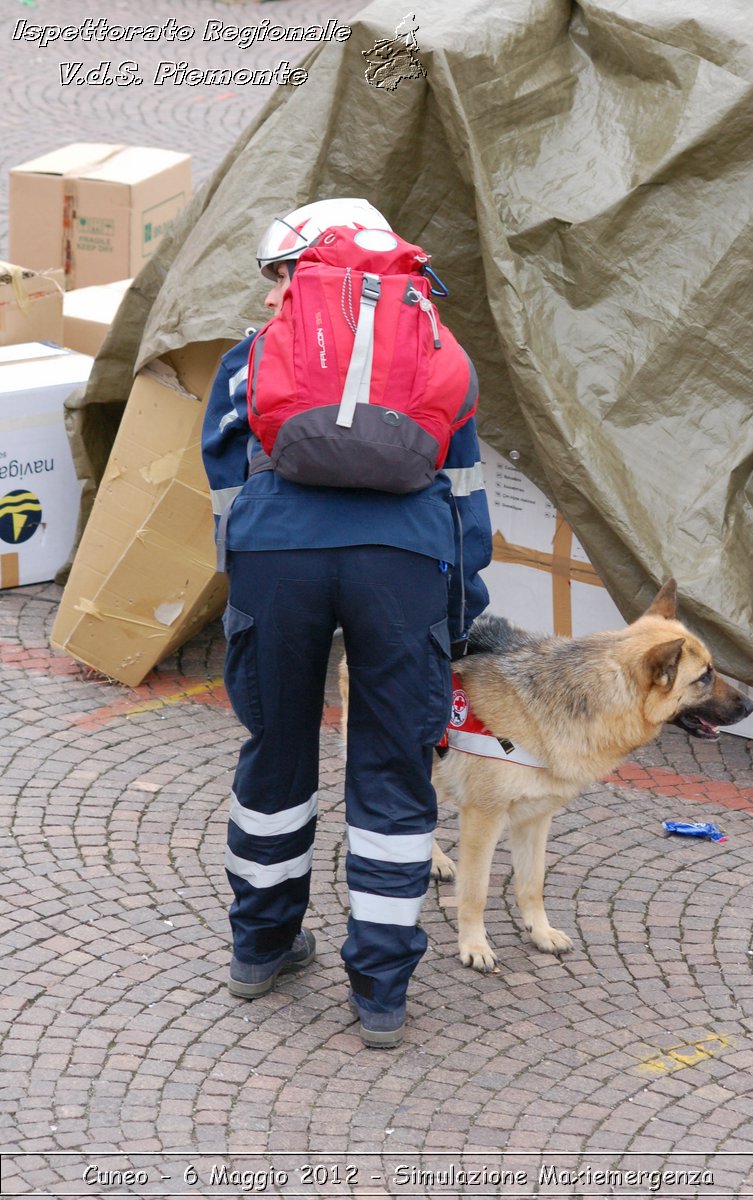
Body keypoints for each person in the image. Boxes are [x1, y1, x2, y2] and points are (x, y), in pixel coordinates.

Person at [201, 198, 492, 1048]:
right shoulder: (444, 356)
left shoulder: (248, 361)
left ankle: (261, 947)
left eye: (278, 276)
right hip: (402, 565)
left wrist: (249, 579)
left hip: (276, 559)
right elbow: (465, 502)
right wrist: (459, 618)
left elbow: (226, 491)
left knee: (276, 751)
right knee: (394, 772)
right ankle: (381, 992)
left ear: (310, 271)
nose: (268, 299)